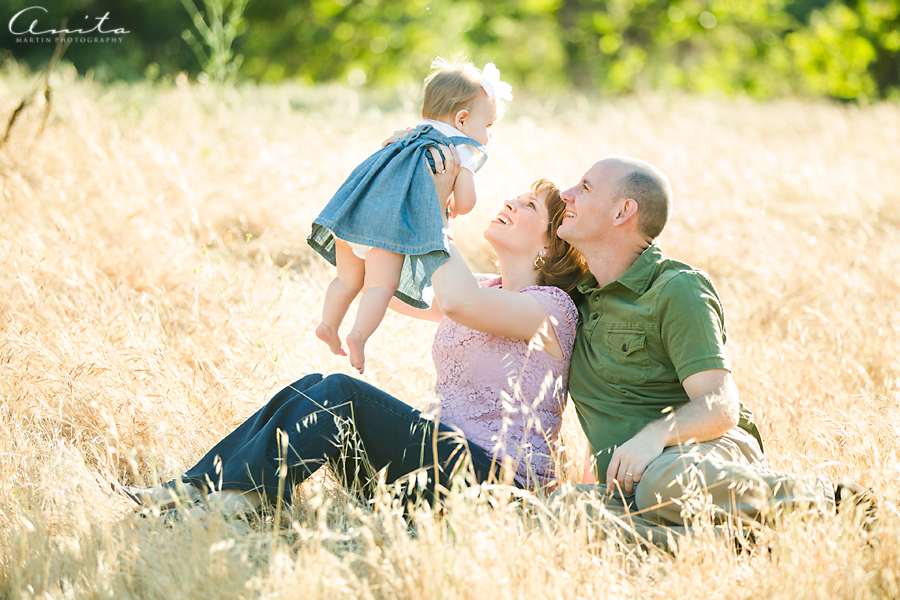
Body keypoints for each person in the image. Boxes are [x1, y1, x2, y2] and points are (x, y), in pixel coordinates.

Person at [118, 173, 585, 520]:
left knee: (344, 393)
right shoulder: (487, 286)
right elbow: (388, 289)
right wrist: (392, 187)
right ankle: (197, 488)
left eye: (528, 205)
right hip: (435, 472)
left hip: (498, 488)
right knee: (311, 388)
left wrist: (432, 221)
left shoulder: (552, 310)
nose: (510, 201)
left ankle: (240, 500)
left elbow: (460, 302)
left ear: (550, 245)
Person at [552, 156, 870, 532]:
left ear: (623, 211)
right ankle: (735, 541)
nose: (566, 195)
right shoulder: (572, 300)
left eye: (585, 188)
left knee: (660, 482)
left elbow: (720, 406)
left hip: (698, 455)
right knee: (554, 511)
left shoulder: (676, 288)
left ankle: (843, 504)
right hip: (631, 486)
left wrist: (655, 436)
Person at [308, 58, 513, 375]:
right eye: (488, 126)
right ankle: (358, 336)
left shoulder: (407, 133)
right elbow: (467, 201)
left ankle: (327, 324)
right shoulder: (461, 148)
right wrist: (454, 207)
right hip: (387, 230)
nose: (488, 136)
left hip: (353, 215)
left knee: (347, 279)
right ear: (462, 119)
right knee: (379, 287)